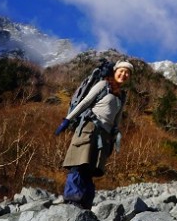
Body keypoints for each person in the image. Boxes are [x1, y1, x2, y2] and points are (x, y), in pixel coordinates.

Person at [54, 60, 133, 209]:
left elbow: (117, 118)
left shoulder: (121, 96)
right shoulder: (103, 85)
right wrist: (67, 120)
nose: (124, 74)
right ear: (115, 71)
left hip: (104, 135)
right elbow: (85, 102)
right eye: (121, 71)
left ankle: (85, 203)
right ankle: (72, 201)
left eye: (127, 73)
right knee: (78, 163)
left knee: (90, 169)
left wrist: (115, 136)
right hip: (89, 127)